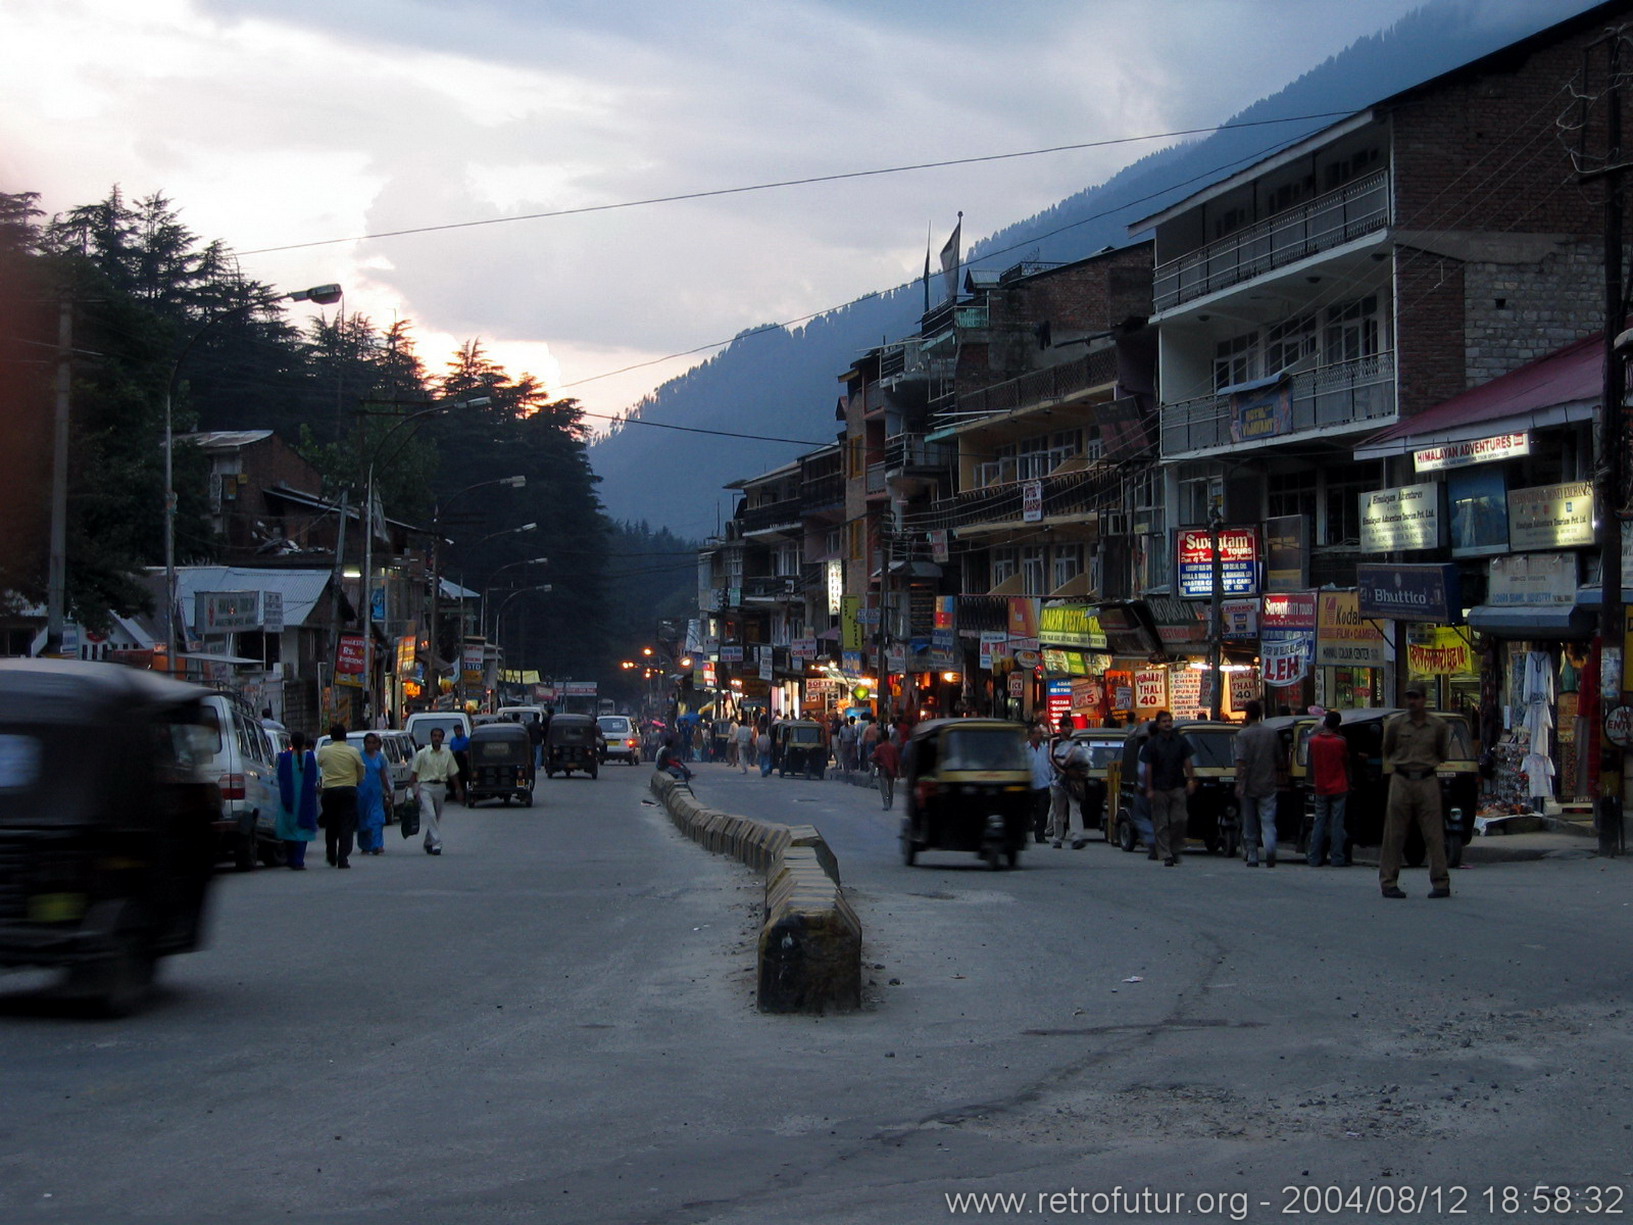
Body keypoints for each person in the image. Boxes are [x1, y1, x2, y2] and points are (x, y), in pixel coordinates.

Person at [1379, 687, 1452, 899]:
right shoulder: (1395, 725)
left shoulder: (1438, 726)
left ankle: (1441, 882)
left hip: (1427, 780)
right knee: (1394, 834)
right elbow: (1388, 750)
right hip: (1401, 780)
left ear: (1424, 699)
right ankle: (1388, 882)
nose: (1413, 701)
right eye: (1409, 697)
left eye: (1416, 697)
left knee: (1434, 834)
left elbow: (1442, 753)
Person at [1140, 710, 1195, 866]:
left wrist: (1191, 780)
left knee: (1180, 819)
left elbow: (1187, 761)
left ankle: (1175, 848)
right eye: (1164, 721)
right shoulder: (1152, 744)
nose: (1167, 724)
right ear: (1158, 725)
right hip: (1158, 788)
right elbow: (1148, 767)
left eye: (1169, 721)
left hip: (1178, 786)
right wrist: (1149, 788)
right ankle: (1166, 854)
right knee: (1161, 823)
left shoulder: (1180, 741)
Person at [1233, 699, 1280, 867]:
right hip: (1268, 782)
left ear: (1247, 714)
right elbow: (1278, 758)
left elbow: (1241, 761)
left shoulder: (1243, 735)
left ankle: (1253, 854)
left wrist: (1239, 783)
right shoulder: (1272, 733)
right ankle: (1270, 847)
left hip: (1248, 784)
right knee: (1268, 819)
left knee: (1249, 821)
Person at [315, 724, 365, 869]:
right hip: (348, 790)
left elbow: (320, 763)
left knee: (331, 824)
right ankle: (343, 857)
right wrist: (358, 780)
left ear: (331, 737)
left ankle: (331, 854)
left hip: (329, 790)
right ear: (345, 736)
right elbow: (361, 768)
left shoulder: (324, 751)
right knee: (346, 825)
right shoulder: (353, 751)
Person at [410, 725, 462, 857]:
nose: (437, 738)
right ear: (431, 737)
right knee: (431, 815)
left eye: (439, 736)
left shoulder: (447, 754)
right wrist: (411, 791)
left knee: (436, 817)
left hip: (441, 787)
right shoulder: (422, 753)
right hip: (425, 787)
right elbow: (414, 774)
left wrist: (458, 789)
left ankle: (428, 841)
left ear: (442, 738)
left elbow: (453, 773)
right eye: (435, 736)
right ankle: (437, 844)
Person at [1307, 710, 1350, 867]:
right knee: (1337, 823)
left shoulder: (1314, 742)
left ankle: (1314, 857)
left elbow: (1310, 765)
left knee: (1319, 822)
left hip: (1321, 786)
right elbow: (1345, 762)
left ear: (1324, 723)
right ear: (1338, 725)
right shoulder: (1341, 742)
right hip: (1339, 786)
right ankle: (1337, 857)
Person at [274, 730, 319, 869]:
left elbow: (278, 776)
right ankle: (298, 860)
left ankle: (291, 859)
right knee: (302, 830)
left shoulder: (283, 758)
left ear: (290, 742)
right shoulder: (311, 758)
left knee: (288, 830)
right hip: (305, 800)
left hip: (288, 800)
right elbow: (316, 778)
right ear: (304, 743)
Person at [1048, 713, 1091, 849]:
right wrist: (1064, 770)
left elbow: (1083, 759)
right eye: (1067, 726)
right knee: (1059, 811)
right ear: (1061, 728)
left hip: (1072, 781)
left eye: (1071, 726)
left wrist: (1079, 772)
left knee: (1075, 808)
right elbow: (1052, 758)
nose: (1069, 729)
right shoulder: (1054, 741)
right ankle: (1058, 837)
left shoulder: (1075, 743)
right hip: (1058, 781)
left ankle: (1077, 837)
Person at [355, 731, 392, 856]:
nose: (370, 745)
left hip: (376, 793)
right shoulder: (359, 757)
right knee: (364, 819)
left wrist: (389, 790)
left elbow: (383, 775)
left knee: (377, 819)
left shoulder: (380, 758)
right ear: (364, 744)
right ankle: (365, 845)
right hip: (362, 793)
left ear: (376, 744)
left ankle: (377, 845)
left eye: (373, 743)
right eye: (368, 743)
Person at [1025, 721, 1053, 843]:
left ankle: (1040, 835)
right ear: (1031, 735)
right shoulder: (1024, 748)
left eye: (1040, 733)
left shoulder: (1045, 748)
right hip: (1030, 785)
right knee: (1027, 812)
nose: (1039, 736)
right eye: (1037, 733)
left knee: (1042, 813)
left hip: (1043, 784)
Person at [872, 731, 901, 810]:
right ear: (888, 737)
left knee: (884, 788)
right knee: (890, 788)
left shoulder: (879, 748)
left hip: (883, 769)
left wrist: (878, 764)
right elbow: (896, 760)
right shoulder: (893, 747)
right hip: (891, 769)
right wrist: (898, 772)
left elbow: (874, 758)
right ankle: (890, 802)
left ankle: (886, 804)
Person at [448, 724, 472, 792]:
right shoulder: (453, 740)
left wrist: (465, 753)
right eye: (456, 731)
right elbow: (451, 750)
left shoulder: (466, 740)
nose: (457, 733)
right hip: (455, 760)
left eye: (458, 731)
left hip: (463, 760)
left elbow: (469, 751)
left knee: (464, 777)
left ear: (461, 731)